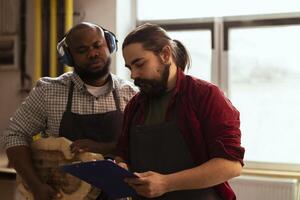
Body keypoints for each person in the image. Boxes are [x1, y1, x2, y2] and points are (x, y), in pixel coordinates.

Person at [1, 22, 137, 200]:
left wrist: (105, 147)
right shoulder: (48, 92)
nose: (93, 53)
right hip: (61, 195)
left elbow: (141, 145)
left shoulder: (131, 94)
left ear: (109, 45)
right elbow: (14, 135)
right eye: (82, 50)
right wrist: (36, 185)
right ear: (69, 57)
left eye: (97, 45)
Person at [115, 23, 245, 200]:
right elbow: (123, 153)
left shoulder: (205, 95)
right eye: (130, 68)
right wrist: (121, 165)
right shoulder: (134, 106)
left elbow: (231, 165)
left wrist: (166, 183)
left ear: (165, 55)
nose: (133, 75)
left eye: (139, 64)